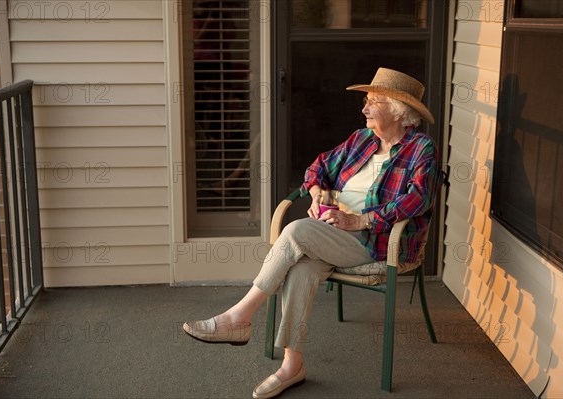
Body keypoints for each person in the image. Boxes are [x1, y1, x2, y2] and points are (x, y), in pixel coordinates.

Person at [183, 68, 441, 398]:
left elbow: (418, 199)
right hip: (332, 234)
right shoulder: (362, 139)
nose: (364, 109)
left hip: (376, 242)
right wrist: (317, 191)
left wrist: (361, 221)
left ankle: (239, 317)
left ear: (397, 110)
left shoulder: (421, 149)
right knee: (301, 267)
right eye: (366, 100)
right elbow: (318, 165)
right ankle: (293, 366)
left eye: (372, 102)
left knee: (296, 231)